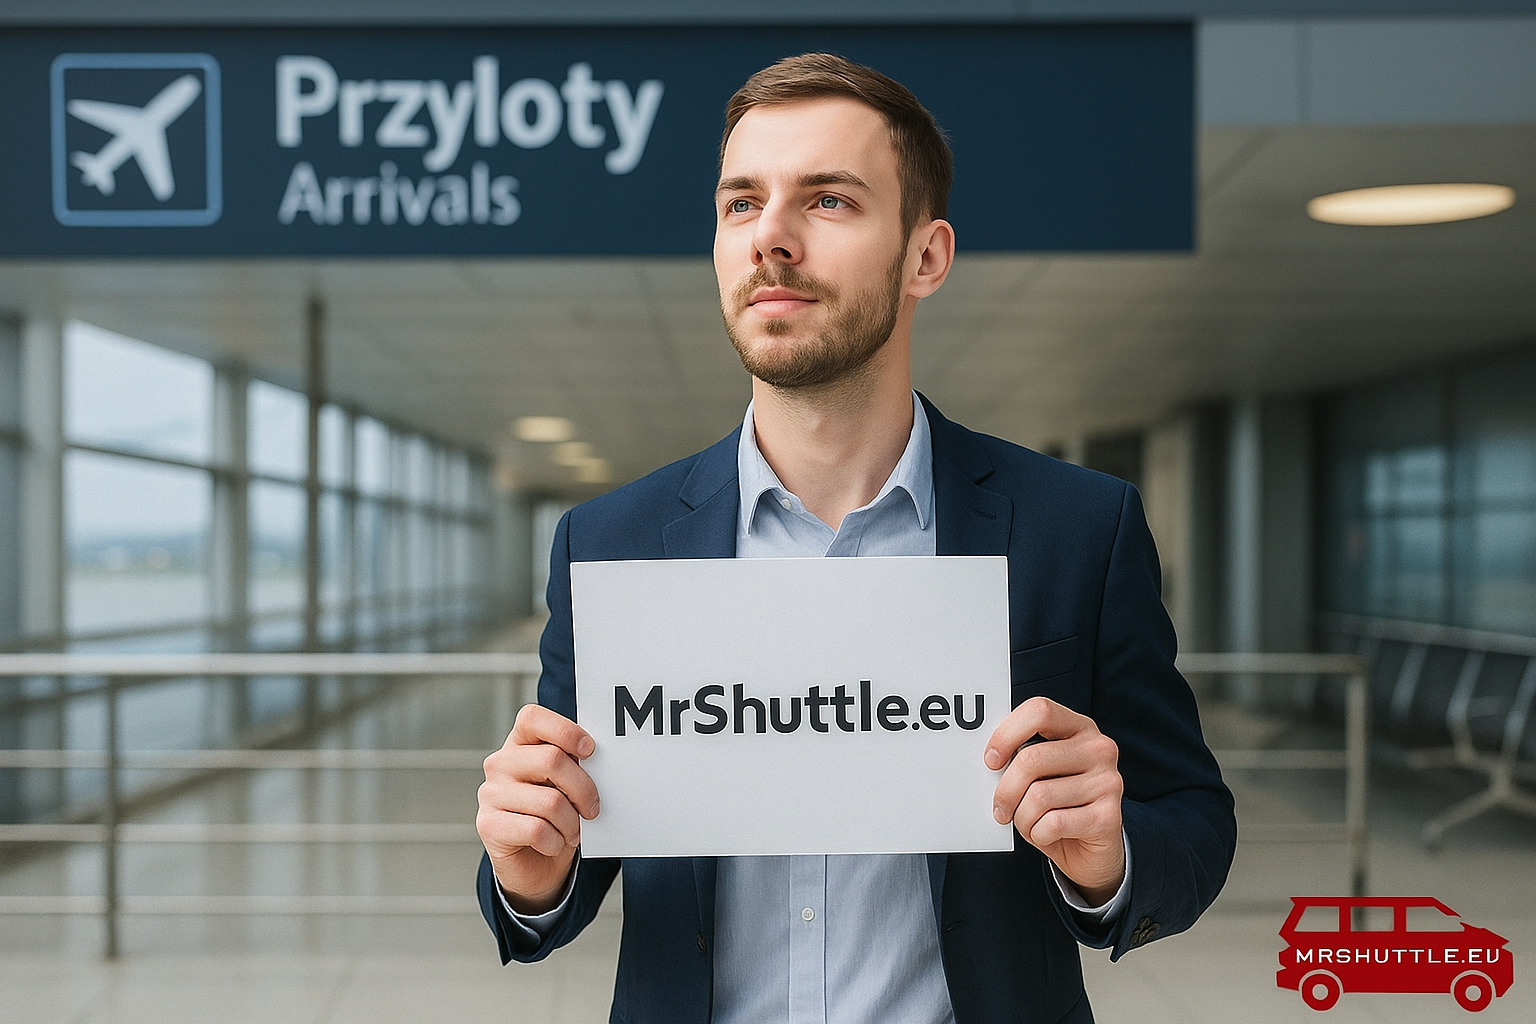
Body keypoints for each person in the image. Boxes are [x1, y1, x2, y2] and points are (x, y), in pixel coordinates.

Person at [476, 52, 1236, 1024]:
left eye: (828, 201)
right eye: (741, 203)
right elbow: (568, 860)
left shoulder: (1077, 529)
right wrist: (530, 875)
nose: (772, 240)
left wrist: (1108, 856)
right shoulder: (609, 543)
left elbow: (1195, 824)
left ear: (926, 256)